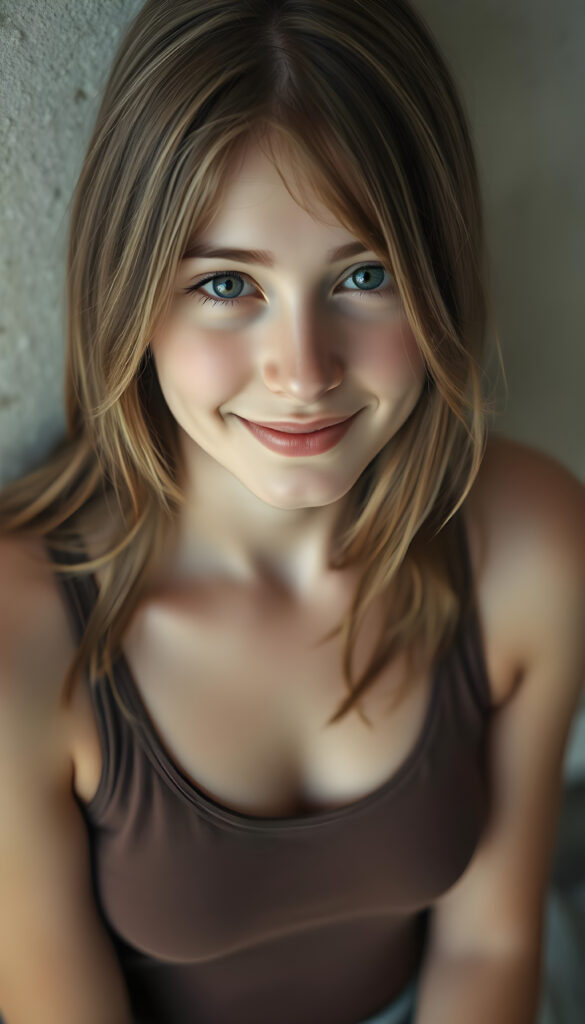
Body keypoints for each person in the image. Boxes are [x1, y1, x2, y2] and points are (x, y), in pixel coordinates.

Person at [0, 1, 583, 1022]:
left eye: (364, 274)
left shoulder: (531, 546)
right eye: (227, 284)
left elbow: (491, 941)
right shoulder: (25, 628)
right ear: (127, 296)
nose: (304, 372)